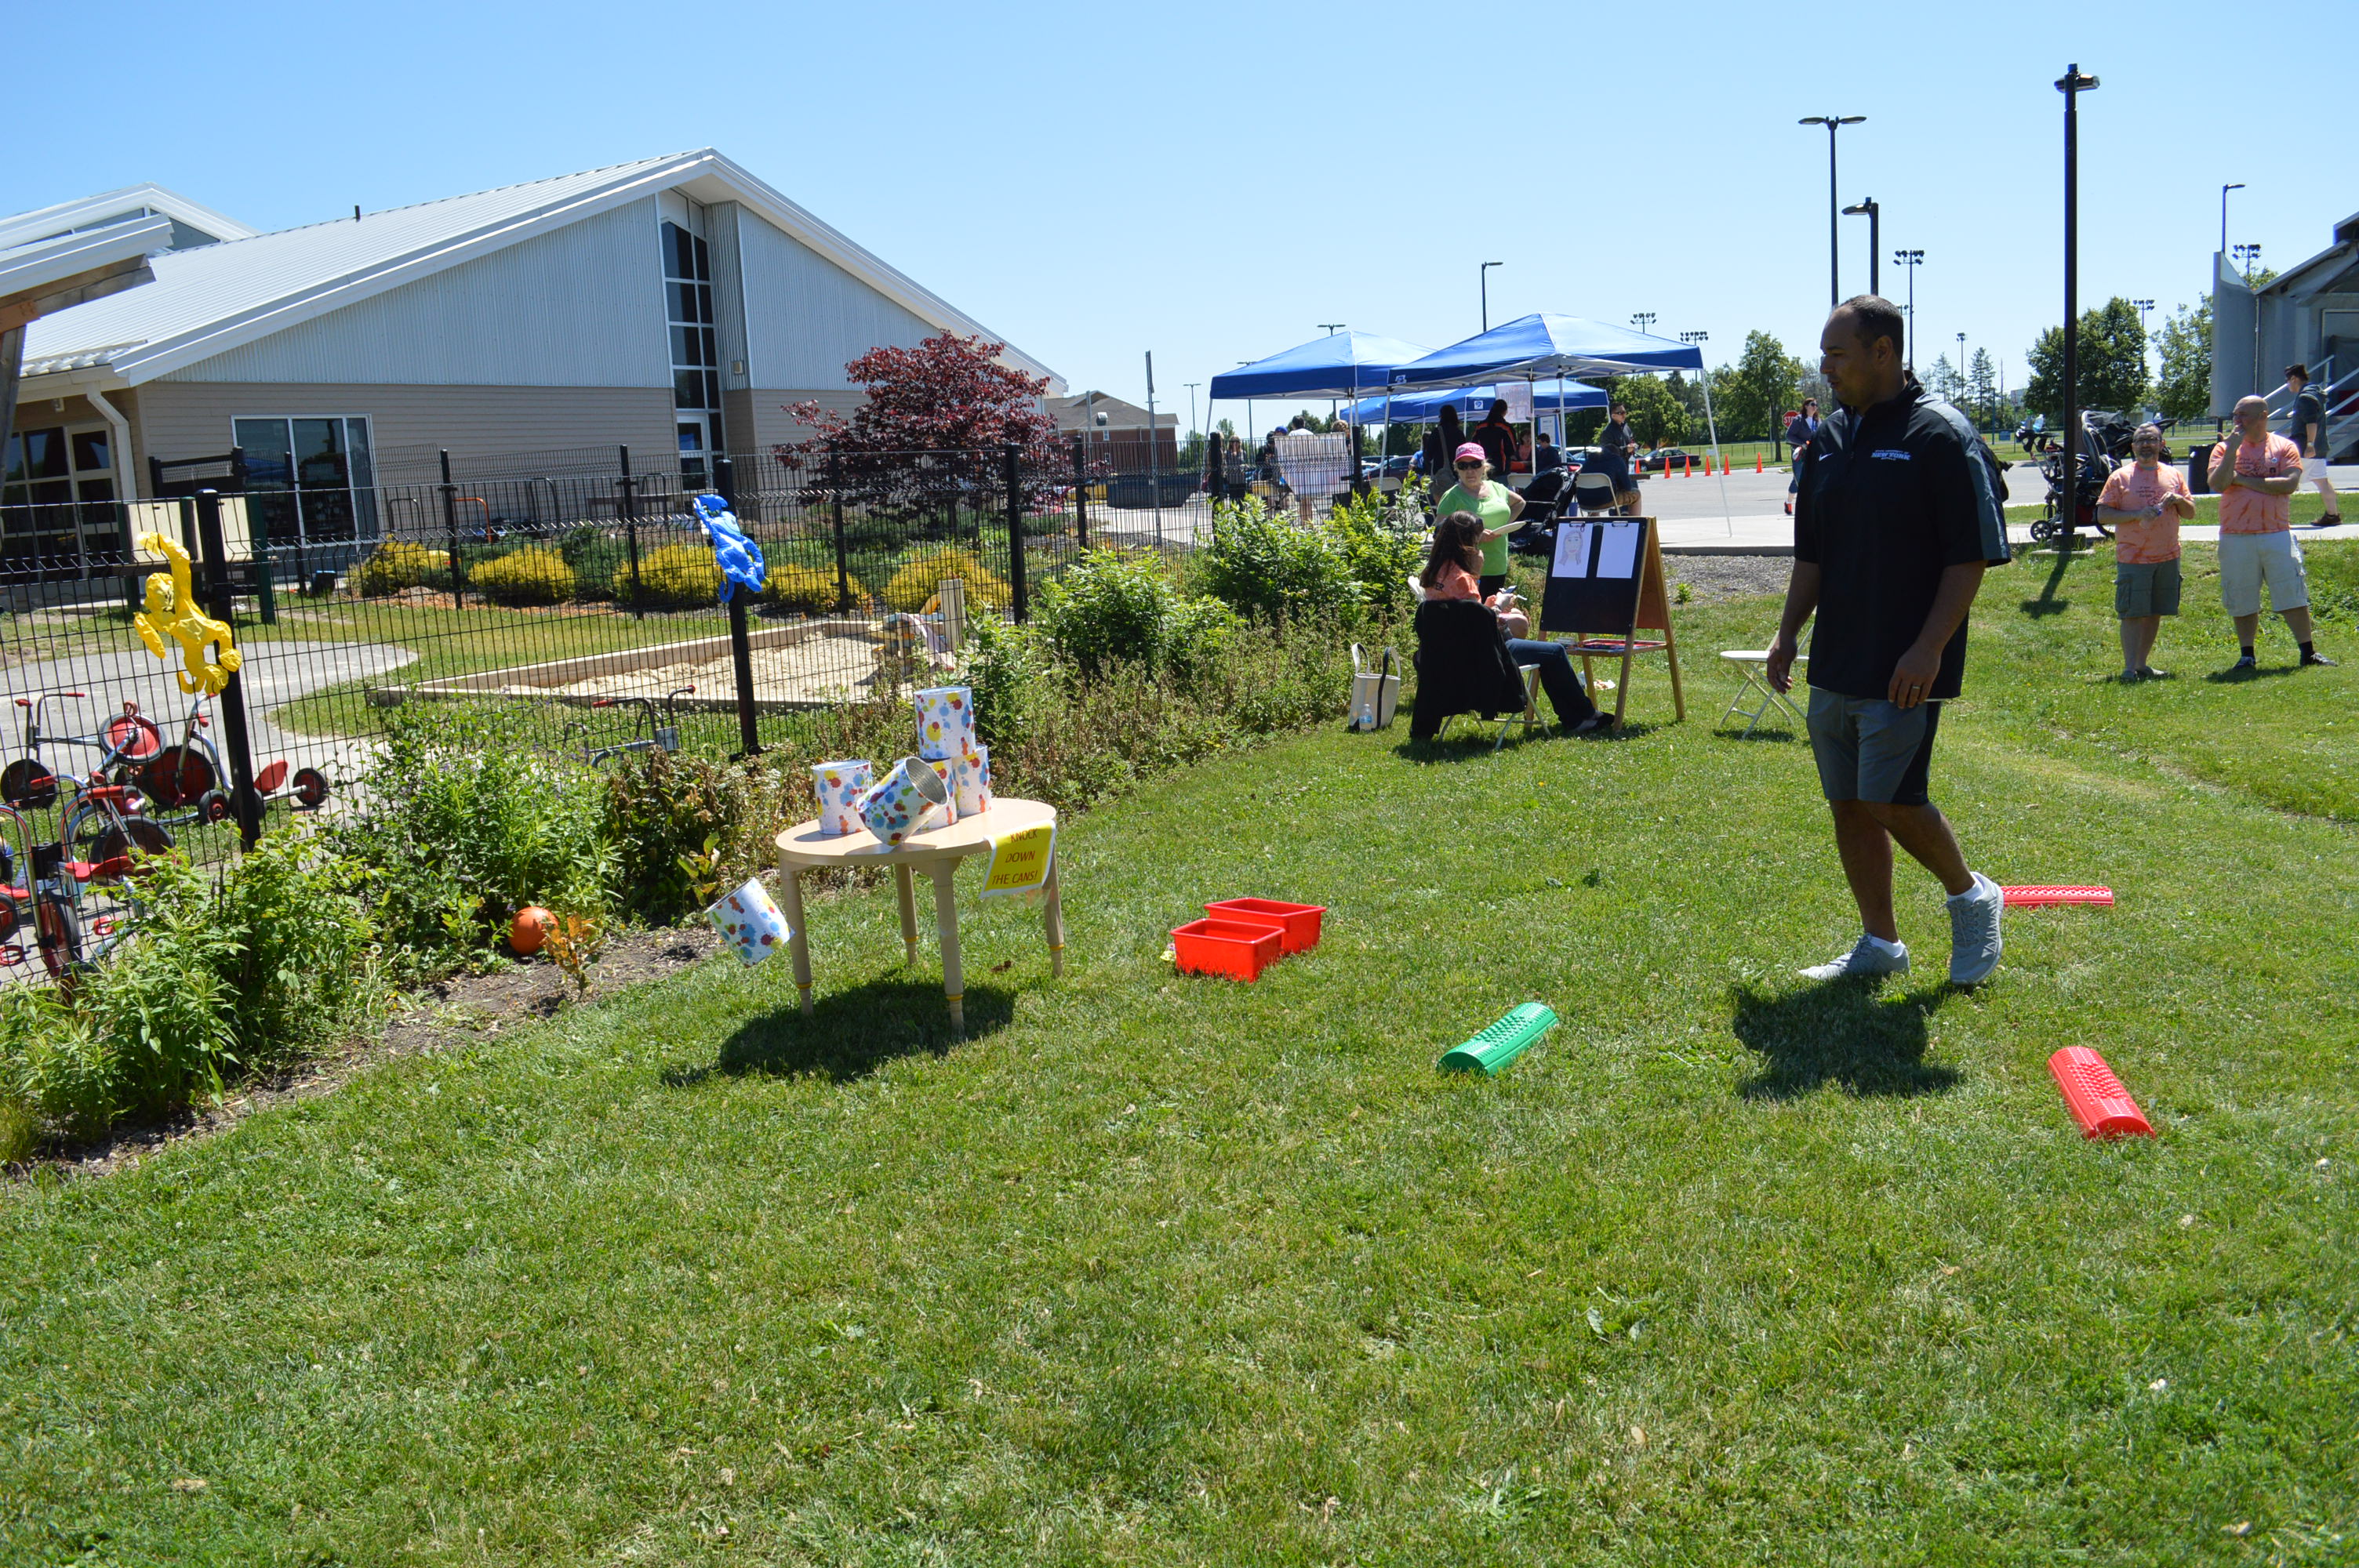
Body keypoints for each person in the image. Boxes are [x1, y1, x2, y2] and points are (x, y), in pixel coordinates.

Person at [1766, 295, 2012, 986]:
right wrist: (1787, 633)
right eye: (1824, 355)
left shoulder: (1940, 433)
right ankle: (1881, 943)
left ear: (1883, 352)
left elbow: (1969, 555)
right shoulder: (1829, 439)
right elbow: (1812, 554)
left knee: (1893, 797)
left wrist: (1929, 647)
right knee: (1848, 801)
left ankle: (1971, 896)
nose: (1825, 369)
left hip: (1906, 661)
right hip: (1837, 657)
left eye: (1837, 355)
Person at [1419, 512, 1607, 733]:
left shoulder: (1432, 573)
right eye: (1477, 538)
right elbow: (1480, 628)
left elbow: (1464, 617)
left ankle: (1580, 714)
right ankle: (1580, 716)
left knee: (1546, 651)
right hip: (1479, 654)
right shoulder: (1463, 578)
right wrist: (1500, 604)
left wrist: (1487, 606)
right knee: (1554, 652)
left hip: (1447, 654)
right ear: (1468, 540)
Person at [2210, 394, 2335, 669]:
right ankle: (2247, 655)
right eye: (2235, 415)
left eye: (2243, 415)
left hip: (2277, 532)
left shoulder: (2284, 446)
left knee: (2292, 593)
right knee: (2241, 596)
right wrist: (2231, 450)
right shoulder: (2223, 448)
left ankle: (2308, 653)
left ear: (2263, 416)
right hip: (2235, 535)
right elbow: (2218, 484)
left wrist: (2241, 479)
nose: (2237, 420)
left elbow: (2289, 484)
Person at [2095, 423, 2197, 679]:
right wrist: (2137, 514)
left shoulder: (2174, 475)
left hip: (2168, 556)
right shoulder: (2120, 477)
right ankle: (2129, 668)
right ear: (2133, 447)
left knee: (2154, 611)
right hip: (2133, 557)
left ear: (2162, 444)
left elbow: (2190, 513)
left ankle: (2142, 664)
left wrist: (2178, 499)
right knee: (2132, 613)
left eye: (2151, 440)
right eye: (2140, 441)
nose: (2146, 445)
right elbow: (2103, 515)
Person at [1433, 444, 1525, 597]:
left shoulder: (1497, 488)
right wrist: (1474, 536)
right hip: (1466, 570)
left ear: (1484, 467)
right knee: (1474, 611)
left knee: (1493, 608)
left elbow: (1520, 502)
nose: (1470, 471)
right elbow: (1439, 533)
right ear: (1457, 469)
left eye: (1475, 464)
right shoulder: (1452, 496)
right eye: (1463, 466)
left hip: (1497, 565)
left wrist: (1505, 527)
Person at [2284, 364, 2342, 526]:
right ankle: (2333, 516)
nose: (2287, 385)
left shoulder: (2305, 398)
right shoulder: (2314, 392)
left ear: (2294, 379)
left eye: (2287, 381)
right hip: (2318, 447)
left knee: (2287, 480)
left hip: (2305, 448)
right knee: (2322, 482)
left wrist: (2310, 444)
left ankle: (2280, 519)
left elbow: (2311, 422)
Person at [1594, 401, 1641, 512]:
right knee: (1617, 504)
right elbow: (1608, 453)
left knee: (1634, 496)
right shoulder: (1607, 432)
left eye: (1625, 412)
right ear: (1613, 415)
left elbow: (1632, 441)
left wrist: (1634, 446)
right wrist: (1625, 449)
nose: (1624, 415)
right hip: (1615, 473)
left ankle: (1633, 520)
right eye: (1621, 413)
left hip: (1629, 468)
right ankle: (1616, 519)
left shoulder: (1626, 427)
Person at [1783, 397, 1821, 516]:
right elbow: (1789, 435)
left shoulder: (1818, 421)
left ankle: (1808, 505)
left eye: (1816, 405)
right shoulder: (1799, 420)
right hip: (1800, 454)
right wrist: (1802, 444)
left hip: (1814, 454)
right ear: (1806, 406)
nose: (1815, 407)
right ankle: (1790, 502)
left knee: (1815, 478)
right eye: (1812, 404)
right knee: (1799, 479)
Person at [1471, 399, 1518, 477]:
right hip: (1501, 468)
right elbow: (1512, 449)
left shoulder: (1480, 426)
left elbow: (1474, 446)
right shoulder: (1506, 428)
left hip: (1483, 467)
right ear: (1505, 412)